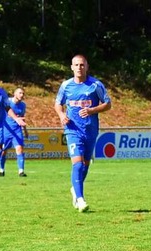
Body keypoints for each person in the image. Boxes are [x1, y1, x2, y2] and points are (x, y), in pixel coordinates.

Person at [55, 54, 111, 212]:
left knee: (85, 166)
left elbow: (108, 104)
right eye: (76, 65)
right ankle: (80, 200)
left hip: (90, 131)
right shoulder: (66, 86)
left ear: (87, 67)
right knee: (78, 164)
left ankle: (75, 189)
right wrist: (61, 115)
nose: (79, 68)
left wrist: (92, 110)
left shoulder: (95, 85)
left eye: (82, 65)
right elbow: (58, 104)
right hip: (73, 130)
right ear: (71, 67)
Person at [0, 87, 28, 177]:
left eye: (23, 93)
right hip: (7, 130)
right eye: (20, 93)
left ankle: (21, 171)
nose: (22, 95)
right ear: (15, 94)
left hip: (17, 130)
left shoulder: (23, 105)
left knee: (19, 149)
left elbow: (22, 118)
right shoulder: (7, 102)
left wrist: (25, 130)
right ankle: (1, 170)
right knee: (3, 151)